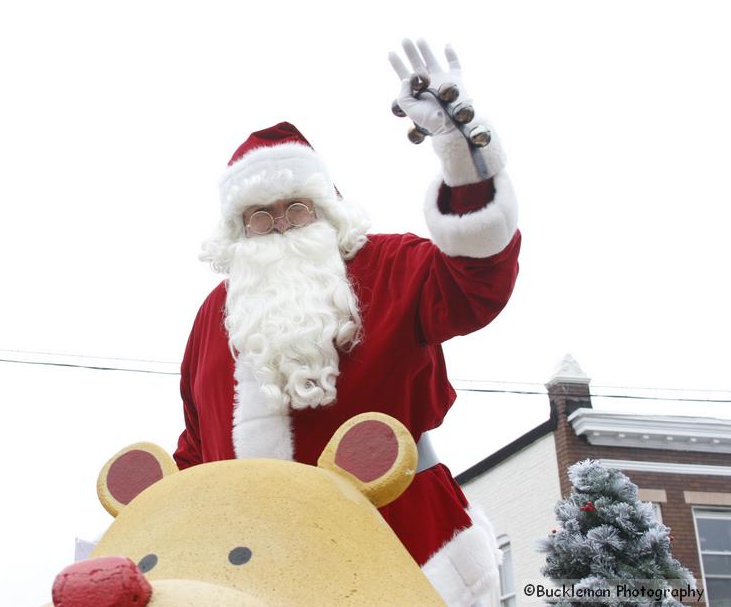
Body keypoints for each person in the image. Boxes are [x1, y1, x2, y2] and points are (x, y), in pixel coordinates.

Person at [173, 38, 520, 606]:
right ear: (239, 231)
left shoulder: (386, 266)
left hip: (398, 551)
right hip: (249, 570)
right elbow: (196, 442)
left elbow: (477, 283)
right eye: (260, 216)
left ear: (325, 205)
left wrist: (462, 153)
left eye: (296, 207)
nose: (280, 225)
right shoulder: (215, 316)